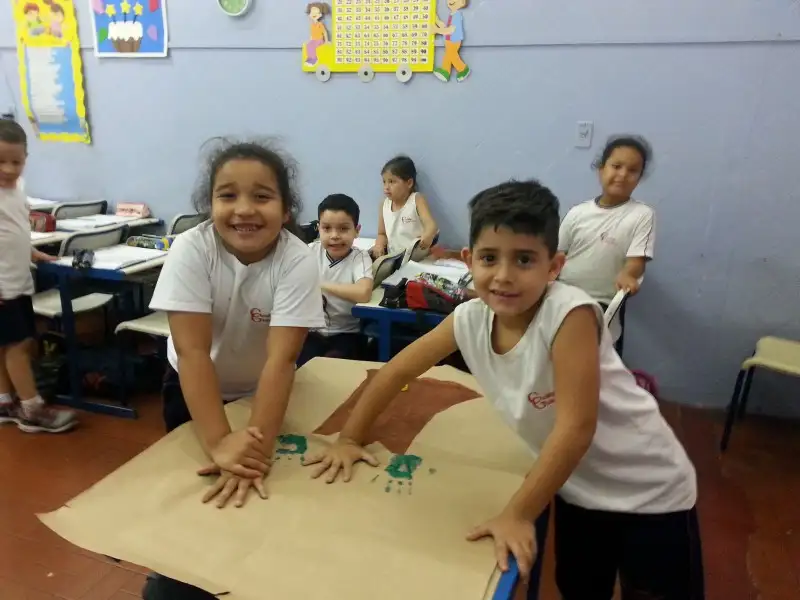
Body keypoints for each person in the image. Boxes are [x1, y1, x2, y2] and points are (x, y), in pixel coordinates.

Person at [304, 180, 703, 600]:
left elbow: (576, 429)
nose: (504, 276)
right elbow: (394, 373)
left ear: (554, 266)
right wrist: (349, 438)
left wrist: (517, 513)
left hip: (648, 490)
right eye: (489, 258)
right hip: (575, 485)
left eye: (524, 260)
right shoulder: (469, 319)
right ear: (469, 260)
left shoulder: (569, 315)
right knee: (580, 588)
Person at [143, 138, 326, 600]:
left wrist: (252, 452)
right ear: (210, 205)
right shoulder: (192, 249)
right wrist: (219, 440)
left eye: (262, 196)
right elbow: (192, 353)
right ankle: (176, 576)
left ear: (286, 209)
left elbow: (281, 359)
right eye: (228, 195)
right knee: (196, 492)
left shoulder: (297, 260)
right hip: (191, 386)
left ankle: (246, 580)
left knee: (254, 490)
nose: (244, 209)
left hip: (262, 388)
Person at [0, 117, 76, 433]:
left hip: (17, 282)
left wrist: (32, 252)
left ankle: (5, 402)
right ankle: (32, 409)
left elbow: (13, 231)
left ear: (26, 159)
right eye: (0, 162)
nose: (8, 169)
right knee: (18, 346)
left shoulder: (17, 190)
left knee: (5, 346)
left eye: (16, 162)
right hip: (2, 288)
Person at [558, 135, 655, 354]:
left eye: (632, 170)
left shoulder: (642, 215)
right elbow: (556, 256)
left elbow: (637, 261)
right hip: (560, 295)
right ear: (601, 170)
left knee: (582, 350)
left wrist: (628, 274)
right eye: (616, 166)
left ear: (639, 178)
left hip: (601, 304)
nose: (623, 175)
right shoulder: (577, 212)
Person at [297, 193, 373, 367]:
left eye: (343, 229)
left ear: (357, 230)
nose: (334, 236)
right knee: (303, 367)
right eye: (327, 228)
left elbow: (363, 292)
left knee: (336, 367)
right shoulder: (309, 251)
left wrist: (320, 284)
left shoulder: (359, 258)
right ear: (318, 229)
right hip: (312, 331)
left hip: (346, 333)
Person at [370, 155, 439, 259]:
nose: (386, 187)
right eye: (384, 182)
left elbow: (431, 225)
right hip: (395, 258)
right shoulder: (384, 205)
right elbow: (382, 233)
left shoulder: (416, 200)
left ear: (409, 183)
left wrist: (428, 235)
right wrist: (379, 245)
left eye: (391, 182)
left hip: (418, 258)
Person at [432, 0, 470, 82]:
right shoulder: (452, 14)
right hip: (449, 40)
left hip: (454, 40)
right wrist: (436, 19)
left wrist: (437, 30)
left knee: (452, 55)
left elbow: (450, 30)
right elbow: (445, 26)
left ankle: (463, 69)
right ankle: (445, 71)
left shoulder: (457, 15)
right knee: (448, 55)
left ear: (462, 3)